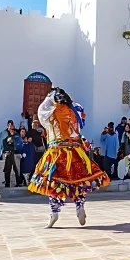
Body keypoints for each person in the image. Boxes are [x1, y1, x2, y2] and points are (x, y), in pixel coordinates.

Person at [29, 88, 110, 228]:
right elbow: (79, 126)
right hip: (76, 151)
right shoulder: (76, 108)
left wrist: (51, 97)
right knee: (79, 182)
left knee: (52, 183)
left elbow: (42, 113)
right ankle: (79, 206)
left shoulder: (49, 110)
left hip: (57, 152)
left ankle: (54, 212)